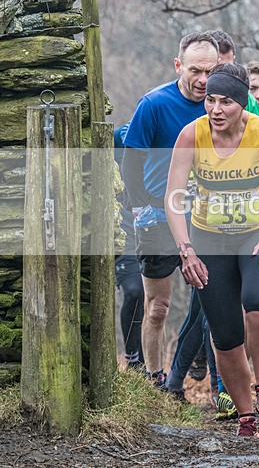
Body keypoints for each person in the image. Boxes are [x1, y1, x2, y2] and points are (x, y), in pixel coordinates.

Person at [165, 62, 259, 436]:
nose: (216, 110)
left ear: (242, 104)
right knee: (225, 334)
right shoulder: (191, 136)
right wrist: (186, 250)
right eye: (210, 100)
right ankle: (245, 415)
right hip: (209, 238)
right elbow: (174, 198)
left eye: (226, 101)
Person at [122, 31, 220, 388]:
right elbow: (131, 162)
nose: (203, 80)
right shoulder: (153, 104)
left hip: (207, 218)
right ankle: (154, 379)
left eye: (210, 70)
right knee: (158, 308)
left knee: (213, 305)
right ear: (179, 65)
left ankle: (215, 385)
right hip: (159, 218)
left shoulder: (223, 105)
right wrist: (140, 209)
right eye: (195, 70)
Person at [114, 123, 145, 371]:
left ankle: (197, 358)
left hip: (159, 230)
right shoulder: (120, 138)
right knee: (134, 292)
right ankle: (134, 357)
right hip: (125, 232)